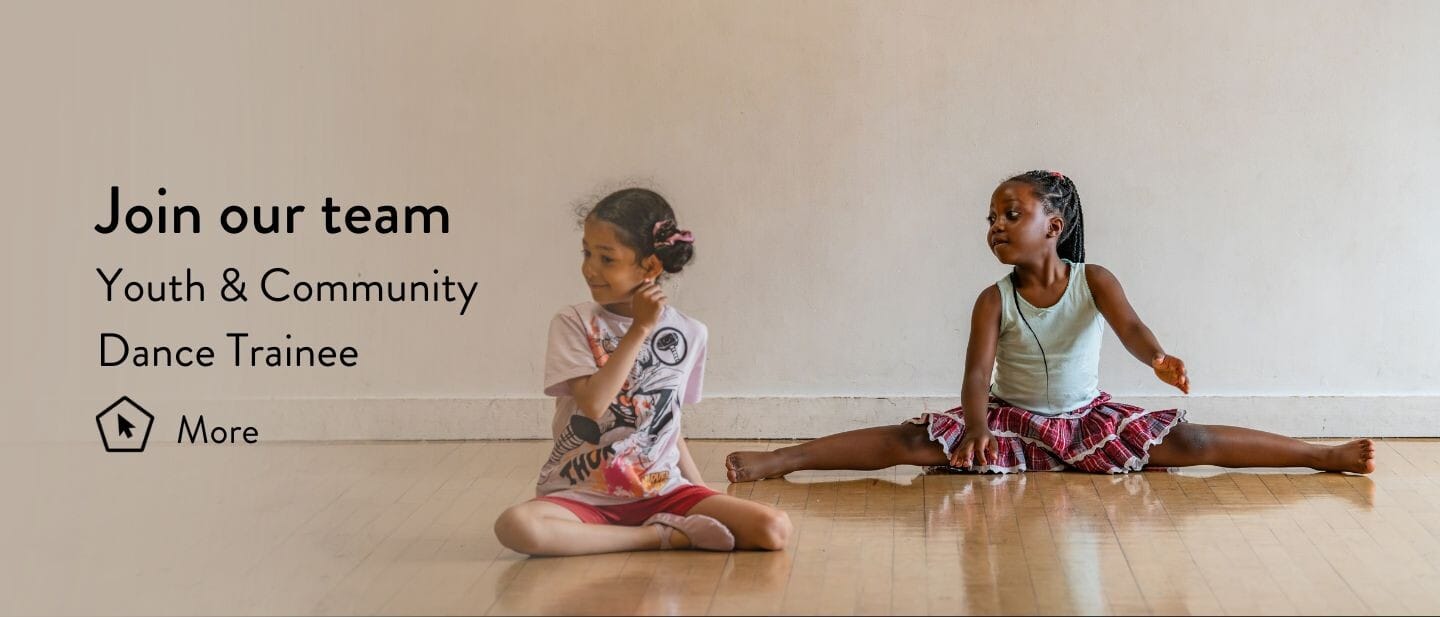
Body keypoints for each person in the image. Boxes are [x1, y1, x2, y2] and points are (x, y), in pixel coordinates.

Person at [726, 171, 1376, 481]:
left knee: (1193, 439)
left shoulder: (1094, 280)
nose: (996, 226)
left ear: (1054, 227)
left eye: (1011, 213)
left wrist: (1159, 359)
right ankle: (784, 459)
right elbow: (977, 376)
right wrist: (977, 428)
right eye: (990, 218)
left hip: (1084, 418)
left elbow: (1132, 329)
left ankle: (1322, 454)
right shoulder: (993, 298)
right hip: (1007, 420)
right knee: (909, 438)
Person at [495, 187, 792, 556]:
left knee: (774, 528)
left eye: (606, 258)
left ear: (650, 267)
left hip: (661, 491)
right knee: (516, 527)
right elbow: (593, 405)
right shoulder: (573, 322)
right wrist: (639, 329)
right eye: (587, 253)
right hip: (584, 496)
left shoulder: (690, 332)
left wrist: (701, 492)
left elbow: (668, 423)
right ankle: (660, 537)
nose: (590, 268)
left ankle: (666, 524)